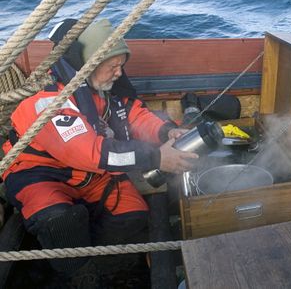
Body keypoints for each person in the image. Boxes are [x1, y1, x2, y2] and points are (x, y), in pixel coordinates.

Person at [1, 18, 196, 287]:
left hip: (93, 178)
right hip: (42, 176)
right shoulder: (49, 103)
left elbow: (135, 116)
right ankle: (74, 273)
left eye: (121, 65)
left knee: (135, 218)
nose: (119, 73)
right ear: (87, 64)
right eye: (112, 66)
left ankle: (102, 260)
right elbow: (94, 154)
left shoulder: (105, 93)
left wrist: (166, 132)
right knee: (60, 222)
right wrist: (156, 157)